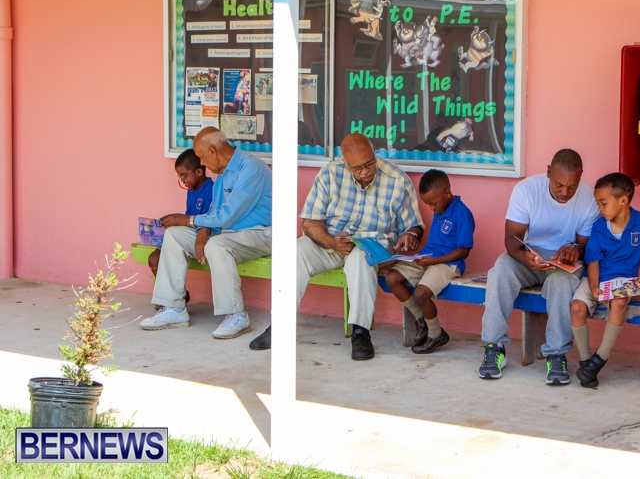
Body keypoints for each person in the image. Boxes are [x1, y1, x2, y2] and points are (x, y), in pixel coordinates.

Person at [248, 133, 424, 360]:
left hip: (372, 244)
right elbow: (310, 222)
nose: (365, 171)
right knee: (294, 252)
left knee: (361, 258)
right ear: (345, 162)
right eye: (357, 168)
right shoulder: (329, 174)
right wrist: (332, 242)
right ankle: (280, 326)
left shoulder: (397, 180)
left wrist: (410, 235)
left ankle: (360, 332)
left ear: (374, 151)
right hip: (332, 242)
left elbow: (414, 225)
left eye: (369, 163)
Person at [479, 149, 600, 384]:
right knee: (500, 270)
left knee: (561, 282)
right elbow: (512, 238)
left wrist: (575, 249)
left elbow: (585, 245)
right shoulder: (526, 190)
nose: (565, 192)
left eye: (572, 187)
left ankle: (556, 354)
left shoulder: (589, 197)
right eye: (559, 185)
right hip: (530, 255)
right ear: (548, 172)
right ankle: (494, 346)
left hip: (565, 263)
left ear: (581, 175)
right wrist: (523, 256)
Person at [139, 127, 273, 339]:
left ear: (212, 151)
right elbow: (214, 212)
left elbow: (228, 216)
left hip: (259, 233)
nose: (202, 163)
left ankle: (236, 315)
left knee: (216, 245)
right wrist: (203, 230)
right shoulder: (222, 172)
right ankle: (174, 308)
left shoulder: (251, 168)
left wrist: (190, 220)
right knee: (174, 235)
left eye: (202, 157)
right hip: (225, 233)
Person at [571, 172, 640, 388]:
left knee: (619, 303)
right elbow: (593, 260)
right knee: (576, 307)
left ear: (623, 200)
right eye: (597, 204)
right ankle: (585, 362)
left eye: (603, 203)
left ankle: (599, 359)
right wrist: (594, 286)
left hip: (624, 280)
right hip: (595, 278)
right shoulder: (599, 226)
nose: (599, 209)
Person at [385, 169, 475, 354]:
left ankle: (436, 334)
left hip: (448, 263)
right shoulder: (440, 207)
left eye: (433, 203)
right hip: (428, 257)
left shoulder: (462, 213)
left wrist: (435, 261)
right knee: (392, 277)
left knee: (421, 294)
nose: (431, 208)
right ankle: (422, 320)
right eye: (428, 204)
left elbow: (464, 250)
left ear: (447, 192)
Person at [147, 149, 214, 279]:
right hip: (186, 233)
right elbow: (189, 217)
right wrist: (173, 219)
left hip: (201, 237)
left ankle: (177, 291)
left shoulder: (211, 190)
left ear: (199, 172)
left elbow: (207, 222)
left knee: (167, 252)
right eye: (180, 177)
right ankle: (173, 290)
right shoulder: (191, 190)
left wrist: (180, 221)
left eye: (184, 176)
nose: (182, 180)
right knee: (154, 259)